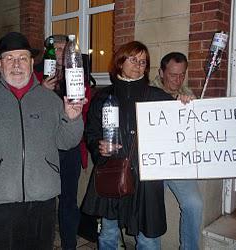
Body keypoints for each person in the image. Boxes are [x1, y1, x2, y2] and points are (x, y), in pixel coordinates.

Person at [0, 32, 85, 250]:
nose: (17, 65)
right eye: (9, 58)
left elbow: (66, 142)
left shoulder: (50, 100)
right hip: (0, 198)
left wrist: (72, 118)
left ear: (32, 63)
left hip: (43, 197)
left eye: (23, 58)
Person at [81, 41, 191, 250]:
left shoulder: (158, 97)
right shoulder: (104, 97)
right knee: (108, 233)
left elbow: (180, 129)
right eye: (133, 59)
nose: (139, 65)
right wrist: (98, 147)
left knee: (148, 239)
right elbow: (92, 133)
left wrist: (183, 105)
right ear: (120, 62)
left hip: (147, 179)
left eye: (143, 62)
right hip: (113, 171)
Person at [34, 34, 91, 250]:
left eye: (64, 49)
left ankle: (69, 244)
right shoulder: (35, 76)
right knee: (44, 200)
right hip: (44, 147)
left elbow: (84, 111)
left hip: (70, 148)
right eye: (55, 49)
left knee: (69, 200)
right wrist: (41, 90)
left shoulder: (76, 74)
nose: (60, 53)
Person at [150, 52, 203, 250]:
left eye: (182, 75)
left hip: (178, 162)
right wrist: (172, 103)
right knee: (151, 208)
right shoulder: (147, 91)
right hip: (154, 163)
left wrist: (191, 107)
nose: (178, 80)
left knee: (194, 204)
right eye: (173, 75)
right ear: (161, 72)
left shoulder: (187, 93)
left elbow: (196, 132)